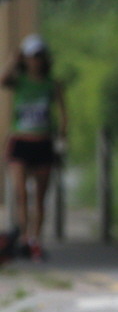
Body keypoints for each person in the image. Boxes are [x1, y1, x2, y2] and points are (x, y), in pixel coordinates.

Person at [2, 34, 67, 261]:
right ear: (25, 58)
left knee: (40, 196)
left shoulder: (51, 84)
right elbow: (2, 79)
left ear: (44, 58)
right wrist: (13, 58)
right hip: (20, 141)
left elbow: (62, 113)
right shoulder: (19, 81)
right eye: (30, 57)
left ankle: (35, 240)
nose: (35, 61)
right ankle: (21, 239)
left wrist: (61, 140)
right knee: (21, 194)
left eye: (38, 56)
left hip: (43, 142)